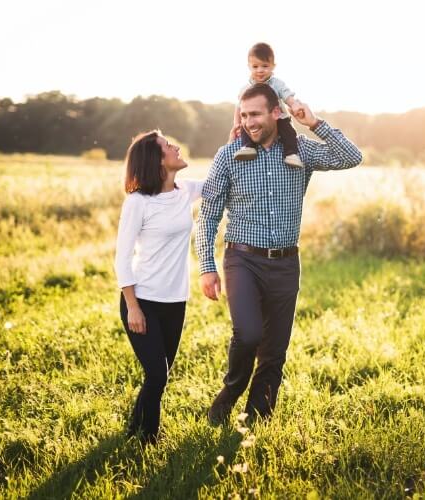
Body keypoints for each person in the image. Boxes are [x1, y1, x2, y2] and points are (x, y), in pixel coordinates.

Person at [196, 83, 362, 425]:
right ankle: (229, 395)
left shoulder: (299, 150)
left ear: (276, 113)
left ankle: (257, 420)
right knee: (249, 335)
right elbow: (209, 214)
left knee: (274, 351)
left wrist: (314, 123)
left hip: (287, 263)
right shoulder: (228, 156)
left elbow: (351, 157)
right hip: (243, 259)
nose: (248, 122)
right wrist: (207, 267)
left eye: (255, 114)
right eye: (243, 115)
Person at [114, 131, 204, 445]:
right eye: (168, 146)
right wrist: (133, 307)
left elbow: (224, 181)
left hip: (175, 300)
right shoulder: (138, 202)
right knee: (157, 374)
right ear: (157, 159)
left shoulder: (186, 191)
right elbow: (122, 259)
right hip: (143, 300)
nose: (176, 146)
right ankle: (147, 440)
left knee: (159, 375)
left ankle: (133, 430)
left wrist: (238, 134)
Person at [232, 42, 305, 168]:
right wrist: (236, 123)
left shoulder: (277, 84)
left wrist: (294, 105)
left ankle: (291, 154)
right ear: (249, 66)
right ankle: (248, 147)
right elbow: (239, 108)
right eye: (255, 66)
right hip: (255, 121)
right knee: (246, 127)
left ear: (273, 66)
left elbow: (287, 96)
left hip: (279, 117)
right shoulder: (246, 89)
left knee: (289, 132)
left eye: (265, 66)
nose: (260, 70)